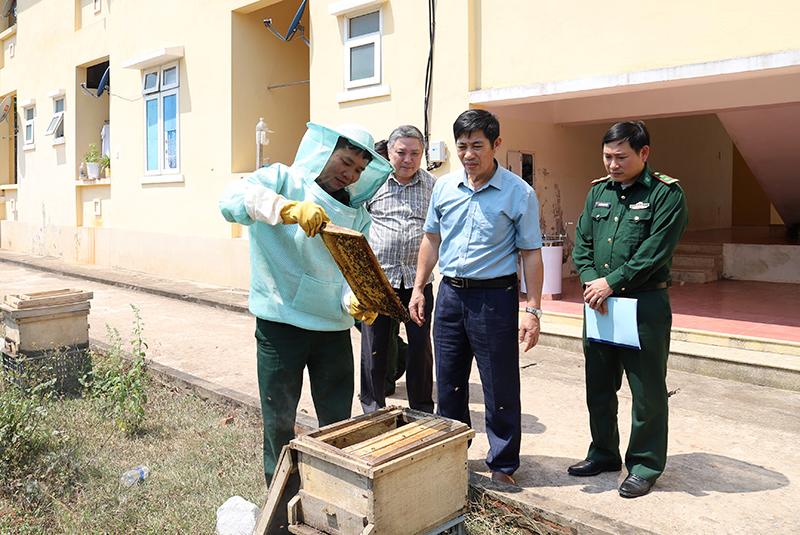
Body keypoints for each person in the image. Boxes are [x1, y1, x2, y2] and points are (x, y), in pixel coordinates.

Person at [218, 122, 392, 483]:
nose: (351, 174)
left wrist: (354, 300)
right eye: (345, 162)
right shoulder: (282, 180)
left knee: (337, 425)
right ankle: (280, 501)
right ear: (323, 152)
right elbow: (231, 200)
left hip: (332, 331)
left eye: (359, 169)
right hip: (280, 325)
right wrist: (286, 209)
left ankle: (331, 495)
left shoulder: (358, 214)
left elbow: (350, 272)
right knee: (279, 421)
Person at [409, 109, 544, 485]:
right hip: (450, 295)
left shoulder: (519, 193)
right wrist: (420, 288)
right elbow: (431, 239)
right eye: (462, 146)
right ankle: (450, 455)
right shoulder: (444, 187)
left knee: (499, 383)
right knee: (448, 381)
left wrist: (532, 309)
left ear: (496, 144)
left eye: (477, 146)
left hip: (494, 298)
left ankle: (502, 464)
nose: (468, 154)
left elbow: (530, 253)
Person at [570, 120, 688, 498]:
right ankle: (603, 452)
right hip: (599, 302)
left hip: (643, 305)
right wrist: (592, 281)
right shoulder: (598, 193)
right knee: (599, 387)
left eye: (621, 157)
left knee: (647, 390)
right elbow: (582, 242)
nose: (612, 165)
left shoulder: (666, 195)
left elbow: (655, 252)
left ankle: (644, 464)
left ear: (644, 154)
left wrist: (611, 283)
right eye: (607, 156)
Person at [360, 125, 435, 414]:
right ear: (389, 152)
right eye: (401, 152)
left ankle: (422, 409)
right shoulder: (371, 183)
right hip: (378, 279)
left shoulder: (433, 186)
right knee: (374, 348)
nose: (408, 159)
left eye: (415, 153)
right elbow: (357, 223)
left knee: (420, 348)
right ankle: (372, 408)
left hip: (419, 282)